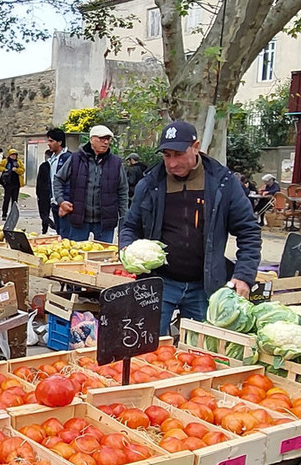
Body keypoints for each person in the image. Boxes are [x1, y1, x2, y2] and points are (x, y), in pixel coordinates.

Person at [119, 120, 262, 336]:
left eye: (178, 154)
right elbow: (130, 225)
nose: (172, 163)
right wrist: (128, 251)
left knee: (198, 352)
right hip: (159, 283)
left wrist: (243, 275)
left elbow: (249, 231)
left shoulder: (222, 183)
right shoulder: (150, 184)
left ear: (195, 148)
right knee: (148, 347)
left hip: (204, 286)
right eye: (167, 155)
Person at [53, 125, 128, 243]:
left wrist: (124, 219)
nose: (106, 142)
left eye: (108, 139)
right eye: (102, 138)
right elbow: (58, 179)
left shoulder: (116, 163)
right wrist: (61, 201)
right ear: (92, 139)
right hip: (79, 218)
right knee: (77, 255)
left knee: (103, 256)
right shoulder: (75, 159)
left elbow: (123, 191)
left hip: (105, 221)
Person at [45, 129, 70, 235]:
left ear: (59, 142)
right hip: (54, 201)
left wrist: (63, 201)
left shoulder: (67, 158)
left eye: (51, 141)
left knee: (65, 234)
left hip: (63, 203)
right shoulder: (52, 158)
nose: (48, 144)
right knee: (59, 232)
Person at [0, 148, 25, 221]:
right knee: (6, 199)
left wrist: (17, 170)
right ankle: (4, 214)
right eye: (12, 155)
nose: (14, 156)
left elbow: (22, 170)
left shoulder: (19, 162)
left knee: (15, 201)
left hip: (16, 183)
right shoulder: (5, 161)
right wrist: (4, 169)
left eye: (15, 155)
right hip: (7, 184)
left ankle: (13, 215)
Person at [35, 149, 55, 234]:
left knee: (43, 213)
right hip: (53, 192)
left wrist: (38, 193)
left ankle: (51, 225)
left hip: (44, 192)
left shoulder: (43, 166)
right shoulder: (55, 165)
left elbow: (39, 181)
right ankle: (45, 229)